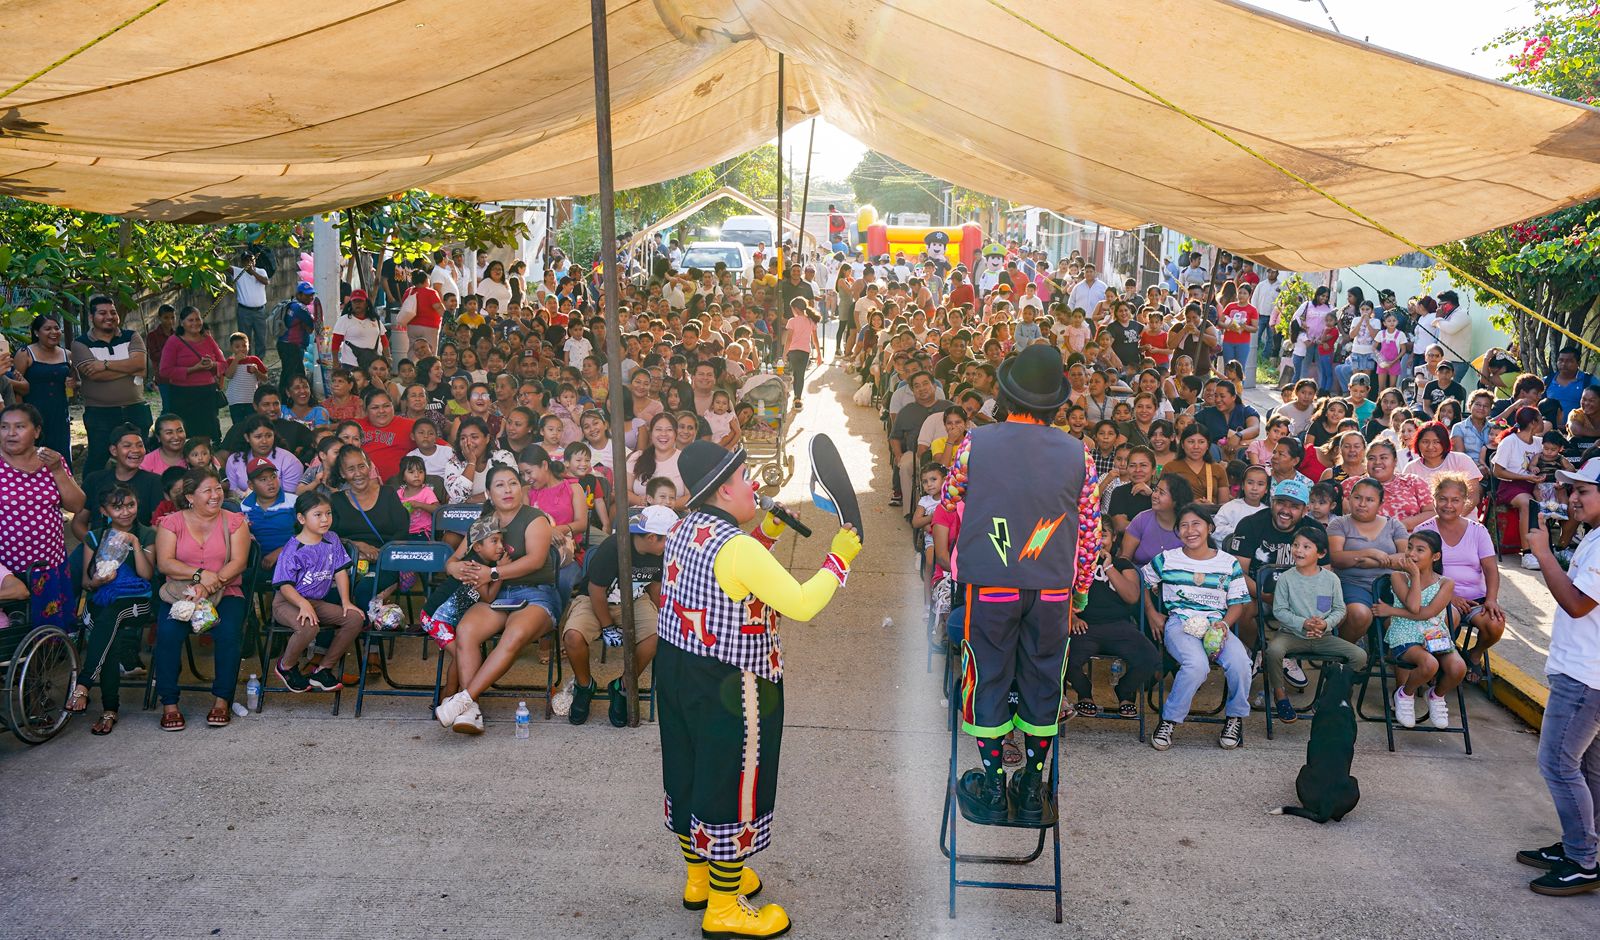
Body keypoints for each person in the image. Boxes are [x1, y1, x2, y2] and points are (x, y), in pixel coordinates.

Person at [650, 440, 860, 938]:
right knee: (733, 786)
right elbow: (802, 604)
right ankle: (724, 908)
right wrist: (839, 558)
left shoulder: (686, 527)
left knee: (689, 767)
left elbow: (728, 579)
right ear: (724, 489)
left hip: (679, 670)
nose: (755, 486)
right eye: (746, 478)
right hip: (733, 682)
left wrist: (764, 532)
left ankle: (700, 879)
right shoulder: (736, 546)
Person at [943, 345, 1098, 826]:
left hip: (990, 582)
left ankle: (991, 785)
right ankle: (1031, 787)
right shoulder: (1079, 453)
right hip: (1051, 587)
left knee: (986, 677)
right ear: (1055, 404)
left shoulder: (977, 443)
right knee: (1043, 680)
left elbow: (950, 494)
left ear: (1007, 394)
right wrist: (1081, 592)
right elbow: (1089, 532)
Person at [1518, 459, 1600, 895]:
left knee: (1557, 763)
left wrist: (1544, 552)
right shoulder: (1594, 536)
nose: (1572, 499)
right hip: (1588, 671)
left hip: (1586, 675)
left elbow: (1577, 604)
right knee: (1588, 768)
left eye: (1582, 492)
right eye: (1571, 491)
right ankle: (1580, 845)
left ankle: (1584, 861)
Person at [432, 466, 564, 734]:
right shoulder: (482, 523)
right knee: (466, 630)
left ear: (521, 488)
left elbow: (535, 560)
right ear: (489, 494)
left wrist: (492, 572)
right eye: (500, 485)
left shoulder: (535, 518)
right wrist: (454, 568)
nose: (507, 490)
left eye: (513, 483)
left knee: (513, 634)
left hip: (535, 593)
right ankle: (471, 711)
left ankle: (464, 699)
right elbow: (453, 561)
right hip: (495, 595)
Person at [1143, 503, 1252, 751]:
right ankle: (1169, 719)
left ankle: (1234, 718)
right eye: (1183, 525)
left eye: (1196, 524)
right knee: (1196, 665)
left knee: (1241, 663)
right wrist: (1151, 612)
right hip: (1180, 623)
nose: (1190, 530)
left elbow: (1237, 603)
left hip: (1216, 625)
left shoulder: (1228, 562)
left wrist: (1224, 624)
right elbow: (1140, 581)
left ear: (1210, 528)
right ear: (1177, 531)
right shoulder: (1167, 559)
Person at [153, 469, 251, 731]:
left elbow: (239, 562)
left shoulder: (235, 521)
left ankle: (222, 700)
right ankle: (170, 704)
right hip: (181, 593)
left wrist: (210, 586)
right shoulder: (171, 523)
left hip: (225, 592)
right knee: (168, 634)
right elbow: (165, 563)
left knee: (228, 633)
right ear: (189, 496)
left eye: (218, 488)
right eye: (207, 490)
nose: (215, 495)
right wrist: (199, 575)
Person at [561, 504, 673, 727]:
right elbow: (595, 590)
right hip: (596, 600)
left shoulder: (661, 553)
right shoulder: (614, 546)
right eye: (667, 538)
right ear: (652, 537)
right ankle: (584, 686)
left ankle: (622, 685)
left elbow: (655, 587)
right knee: (573, 636)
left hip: (635, 600)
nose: (671, 543)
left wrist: (664, 616)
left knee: (655, 637)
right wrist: (607, 626)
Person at [69, 484, 156, 736]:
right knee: (110, 631)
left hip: (137, 602)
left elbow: (146, 575)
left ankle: (84, 684)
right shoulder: (94, 537)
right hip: (103, 599)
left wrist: (135, 544)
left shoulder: (147, 534)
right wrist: (98, 581)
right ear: (104, 511)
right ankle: (109, 709)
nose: (126, 512)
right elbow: (87, 582)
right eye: (117, 508)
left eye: (130, 505)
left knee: (112, 618)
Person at [1265, 527, 1367, 723]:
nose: (1298, 551)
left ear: (1321, 553)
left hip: (1323, 636)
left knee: (1359, 656)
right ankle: (1280, 695)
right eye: (1295, 545)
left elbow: (1339, 609)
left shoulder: (1331, 579)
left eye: (1306, 546)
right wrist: (1303, 623)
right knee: (1274, 650)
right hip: (1291, 635)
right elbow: (1279, 611)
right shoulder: (1286, 578)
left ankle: (1329, 696)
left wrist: (1325, 624)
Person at [269, 491, 366, 694]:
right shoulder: (293, 548)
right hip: (287, 603)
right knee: (308, 627)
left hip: (315, 602)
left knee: (355, 618)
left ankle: (323, 669)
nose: (325, 519)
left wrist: (346, 601)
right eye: (318, 514)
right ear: (302, 518)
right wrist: (302, 604)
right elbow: (284, 585)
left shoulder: (332, 539)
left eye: (328, 513)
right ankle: (286, 666)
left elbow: (340, 571)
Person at [0, 403, 85, 627]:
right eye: (4, 427)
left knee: (49, 630)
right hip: (6, 567)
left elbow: (76, 505)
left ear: (36, 431)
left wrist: (57, 470)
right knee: (14, 629)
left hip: (49, 562)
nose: (10, 433)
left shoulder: (52, 461)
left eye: (19, 426)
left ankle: (49, 656)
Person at [1372, 530, 1463, 731]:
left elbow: (1429, 612)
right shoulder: (1399, 577)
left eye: (1420, 550)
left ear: (1435, 556)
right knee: (1429, 664)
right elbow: (1414, 607)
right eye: (1410, 547)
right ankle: (1405, 693)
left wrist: (1392, 610)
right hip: (1404, 632)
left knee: (1458, 668)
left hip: (1434, 634)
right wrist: (1415, 575)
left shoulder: (1446, 583)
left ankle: (1436, 695)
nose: (1412, 554)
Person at [1065, 548, 1159, 720]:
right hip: (1085, 626)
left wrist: (1109, 567)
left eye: (1104, 535)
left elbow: (1132, 597)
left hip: (1119, 626)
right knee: (1065, 658)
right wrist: (1072, 617)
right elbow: (1061, 594)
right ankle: (1084, 692)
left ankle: (1125, 691)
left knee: (1150, 658)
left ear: (1114, 538)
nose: (1098, 542)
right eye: (1094, 536)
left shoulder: (1122, 564)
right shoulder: (1074, 562)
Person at [71, 295, 152, 474]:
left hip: (135, 409)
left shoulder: (132, 336)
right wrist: (128, 368)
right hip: (101, 413)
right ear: (92, 318)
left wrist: (104, 364)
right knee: (97, 459)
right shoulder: (80, 344)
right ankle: (91, 500)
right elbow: (93, 375)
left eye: (113, 312)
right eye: (102, 313)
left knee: (141, 458)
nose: (109, 316)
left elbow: (140, 365)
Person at [1328, 477, 1410, 644]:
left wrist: (1375, 561)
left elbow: (1406, 557)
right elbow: (1336, 557)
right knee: (1359, 614)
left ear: (1380, 503)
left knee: (1400, 619)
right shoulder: (1339, 524)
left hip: (1390, 587)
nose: (1362, 504)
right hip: (1352, 583)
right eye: (1357, 498)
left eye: (1370, 500)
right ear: (1349, 498)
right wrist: (1369, 552)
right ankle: (1344, 656)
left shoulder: (1394, 525)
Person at [157, 306, 225, 443]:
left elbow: (224, 364)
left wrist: (212, 365)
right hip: (183, 395)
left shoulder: (208, 339)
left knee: (206, 435)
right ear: (182, 322)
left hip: (207, 394)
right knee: (185, 436)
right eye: (190, 320)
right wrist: (192, 369)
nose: (195, 323)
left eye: (198, 319)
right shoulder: (174, 341)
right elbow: (164, 370)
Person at [1492, 406, 1546, 569]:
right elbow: (1497, 471)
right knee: (1528, 503)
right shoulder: (1510, 442)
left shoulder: (1539, 443)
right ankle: (1527, 554)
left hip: (1534, 484)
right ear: (1533, 423)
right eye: (1540, 418)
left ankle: (1552, 548)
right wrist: (1525, 477)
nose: (1543, 422)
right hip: (1510, 486)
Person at [15, 313, 74, 461]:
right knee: (33, 455)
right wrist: (20, 417)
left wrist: (73, 385)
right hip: (33, 414)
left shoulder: (67, 354)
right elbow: (16, 388)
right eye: (47, 329)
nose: (53, 332)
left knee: (60, 455)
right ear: (36, 332)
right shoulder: (25, 354)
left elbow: (75, 384)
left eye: (56, 328)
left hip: (59, 414)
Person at [1120, 475, 1192, 567]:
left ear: (1176, 500)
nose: (1154, 495)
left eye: (1161, 493)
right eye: (1155, 490)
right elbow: (1125, 558)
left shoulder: (1188, 527)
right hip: (1139, 577)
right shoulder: (1142, 519)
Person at [230, 247, 271, 360]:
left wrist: (252, 271)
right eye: (246, 260)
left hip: (260, 311)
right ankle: (245, 361)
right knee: (244, 340)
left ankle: (259, 362)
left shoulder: (261, 271)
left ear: (254, 261)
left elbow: (266, 281)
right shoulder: (238, 272)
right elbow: (223, 266)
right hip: (244, 311)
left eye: (251, 260)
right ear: (242, 262)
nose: (249, 262)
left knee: (261, 339)